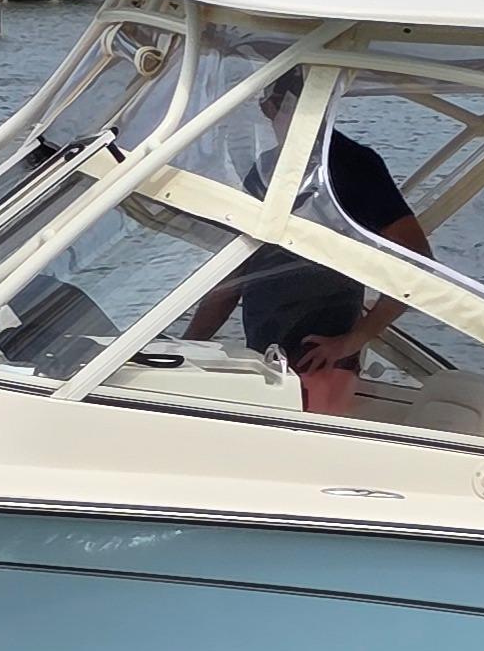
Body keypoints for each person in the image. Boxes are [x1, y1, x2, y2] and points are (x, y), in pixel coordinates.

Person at [185, 77, 432, 417]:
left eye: (305, 106)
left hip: (322, 362)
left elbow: (417, 262)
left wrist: (352, 341)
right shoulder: (266, 169)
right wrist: (188, 343)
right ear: (267, 109)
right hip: (266, 358)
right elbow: (236, 270)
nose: (291, 116)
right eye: (286, 106)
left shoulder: (354, 165)